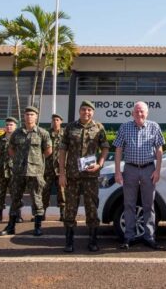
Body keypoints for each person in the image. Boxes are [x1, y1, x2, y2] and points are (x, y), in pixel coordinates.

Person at [58, 100, 110, 252]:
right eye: (83, 110)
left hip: (91, 175)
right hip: (72, 175)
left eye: (89, 110)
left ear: (92, 112)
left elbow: (105, 147)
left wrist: (100, 164)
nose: (86, 112)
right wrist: (62, 173)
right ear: (79, 111)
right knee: (70, 208)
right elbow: (62, 151)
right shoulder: (70, 127)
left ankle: (93, 241)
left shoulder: (98, 127)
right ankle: (69, 242)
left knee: (92, 207)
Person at [114, 101, 165, 250]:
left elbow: (159, 150)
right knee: (129, 204)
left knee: (149, 205)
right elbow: (118, 149)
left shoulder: (154, 126)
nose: (139, 114)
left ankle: (149, 237)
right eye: (136, 111)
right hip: (130, 170)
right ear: (132, 113)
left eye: (142, 111)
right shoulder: (125, 127)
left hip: (149, 169)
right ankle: (128, 237)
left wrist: (158, 170)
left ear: (147, 113)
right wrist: (118, 171)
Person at [0, 106, 52, 237]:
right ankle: (11, 226)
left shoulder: (42, 133)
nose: (29, 117)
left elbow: (48, 151)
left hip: (35, 172)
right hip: (18, 172)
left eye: (32, 114)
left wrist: (36, 161)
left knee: (37, 199)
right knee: (15, 199)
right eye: (27, 114)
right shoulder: (17, 133)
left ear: (36, 117)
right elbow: (11, 150)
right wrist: (18, 160)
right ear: (24, 117)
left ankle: (38, 227)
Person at [43, 113, 66, 222]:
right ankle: (42, 213)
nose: (55, 122)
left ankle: (63, 213)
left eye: (57, 120)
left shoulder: (65, 134)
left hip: (61, 168)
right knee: (45, 191)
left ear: (61, 121)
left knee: (62, 191)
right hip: (47, 168)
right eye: (53, 120)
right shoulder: (46, 134)